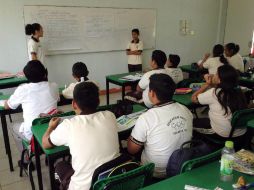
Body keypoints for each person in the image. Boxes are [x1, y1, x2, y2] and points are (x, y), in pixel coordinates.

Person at [42, 82, 120, 190]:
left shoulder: (68, 125)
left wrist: (50, 127)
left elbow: (45, 144)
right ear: (98, 101)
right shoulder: (110, 116)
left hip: (83, 187)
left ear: (74, 104)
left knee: (60, 166)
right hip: (109, 182)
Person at [128, 73, 193, 178]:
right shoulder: (186, 110)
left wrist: (131, 137)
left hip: (155, 173)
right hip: (182, 165)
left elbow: (132, 149)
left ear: (152, 93)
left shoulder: (146, 118)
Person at [3, 60, 59, 152]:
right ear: (45, 73)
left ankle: (27, 155)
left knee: (12, 126)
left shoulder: (23, 89)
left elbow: (7, 106)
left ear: (26, 76)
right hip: (52, 130)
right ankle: (36, 148)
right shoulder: (54, 86)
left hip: (32, 133)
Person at [191, 65, 247, 142]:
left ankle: (203, 147)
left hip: (222, 135)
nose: (214, 75)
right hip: (241, 134)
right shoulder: (239, 91)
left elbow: (194, 98)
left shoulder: (214, 93)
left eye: (217, 74)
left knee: (190, 123)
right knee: (205, 120)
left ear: (220, 80)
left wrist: (206, 84)